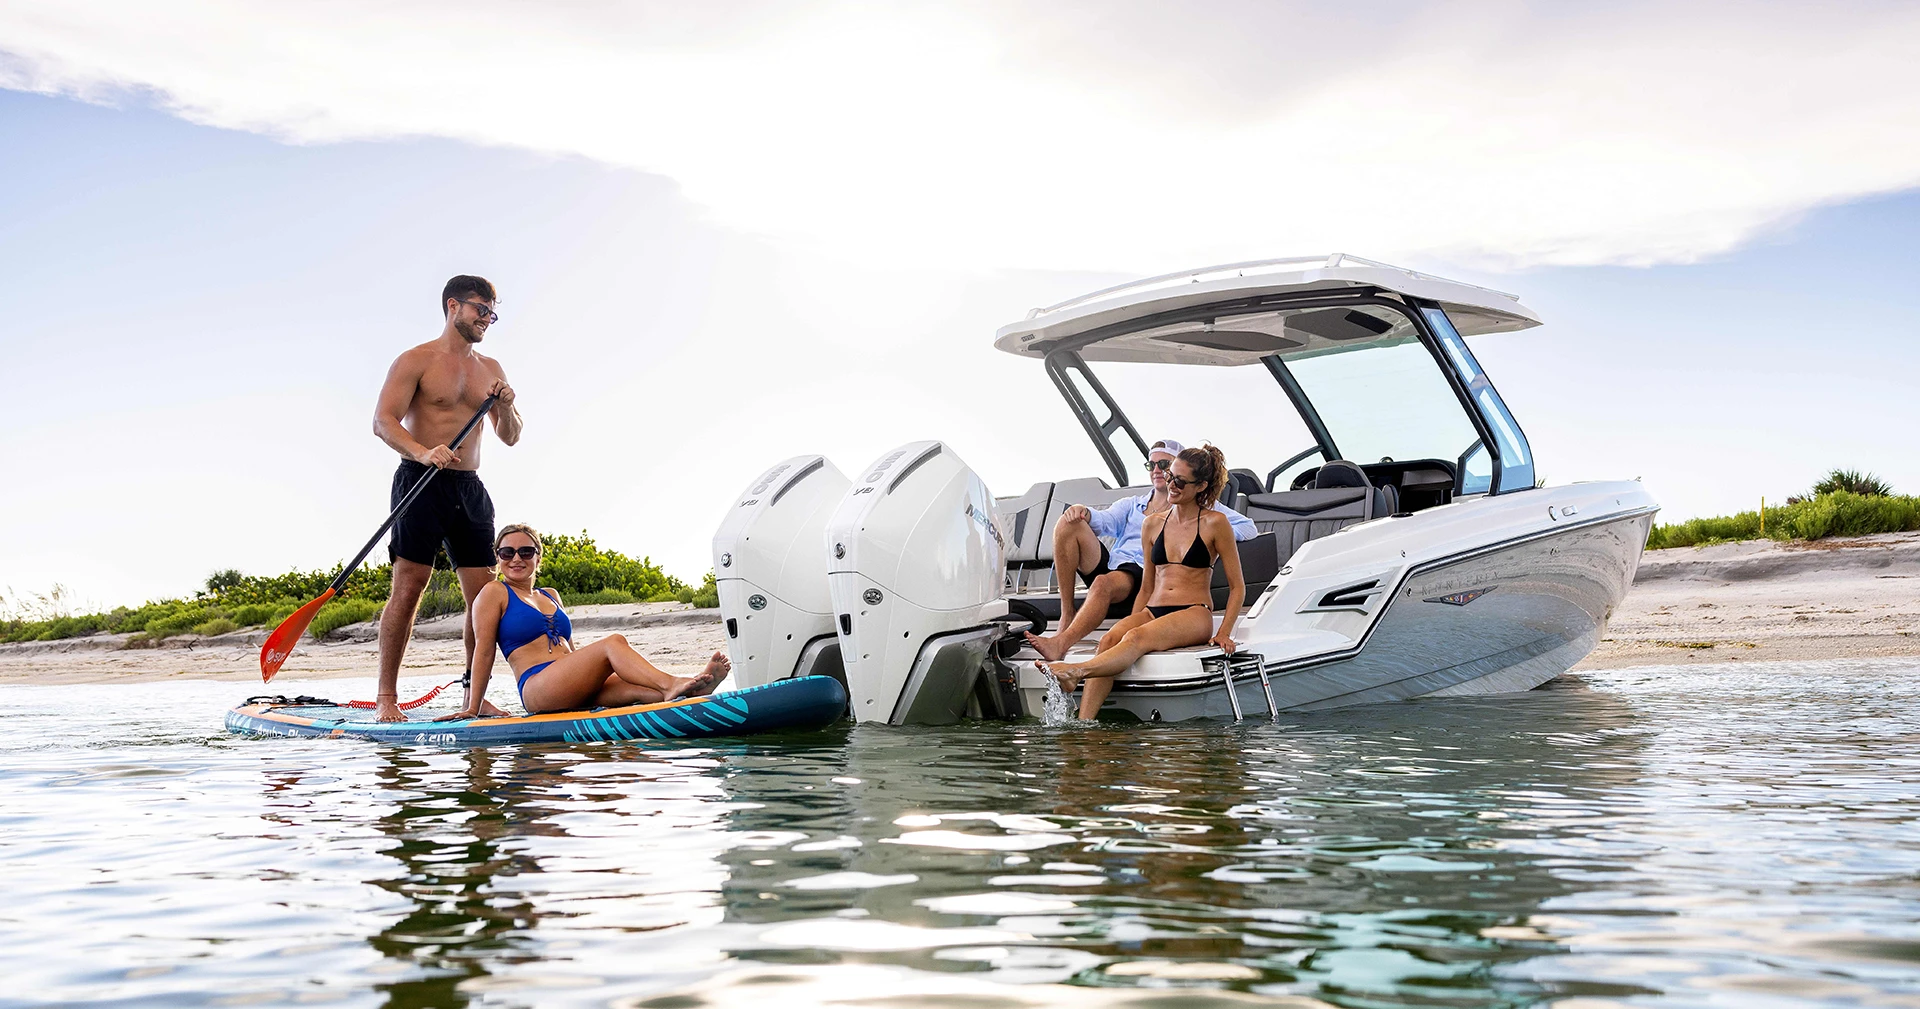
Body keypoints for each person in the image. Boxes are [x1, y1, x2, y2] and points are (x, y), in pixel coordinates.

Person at [371, 275, 523, 722]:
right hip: (420, 481)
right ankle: (387, 699)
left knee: (483, 600)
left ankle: (472, 699)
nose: (487, 319)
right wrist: (422, 451)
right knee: (409, 587)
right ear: (453, 306)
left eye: (493, 312)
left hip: (469, 489)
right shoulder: (416, 360)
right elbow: (383, 421)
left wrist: (508, 406)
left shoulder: (491, 368)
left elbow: (510, 438)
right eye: (481, 309)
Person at [1039, 445, 1246, 720]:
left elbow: (1237, 587)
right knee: (1112, 637)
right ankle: (1084, 724)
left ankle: (1077, 671)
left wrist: (1224, 633)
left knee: (1135, 637)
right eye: (1171, 477)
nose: (1171, 484)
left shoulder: (1215, 523)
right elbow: (1147, 586)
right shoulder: (1152, 524)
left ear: (1201, 486)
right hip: (1153, 608)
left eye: (1180, 481)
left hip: (1193, 612)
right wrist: (1134, 619)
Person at [438, 525, 730, 719]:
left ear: (538, 558)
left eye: (526, 552)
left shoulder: (550, 595)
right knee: (613, 643)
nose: (516, 558)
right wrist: (472, 707)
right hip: (539, 687)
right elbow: (483, 651)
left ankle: (693, 692)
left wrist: (597, 677)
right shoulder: (493, 592)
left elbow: (571, 652)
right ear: (498, 558)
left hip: (570, 683)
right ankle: (672, 683)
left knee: (641, 691)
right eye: (507, 552)